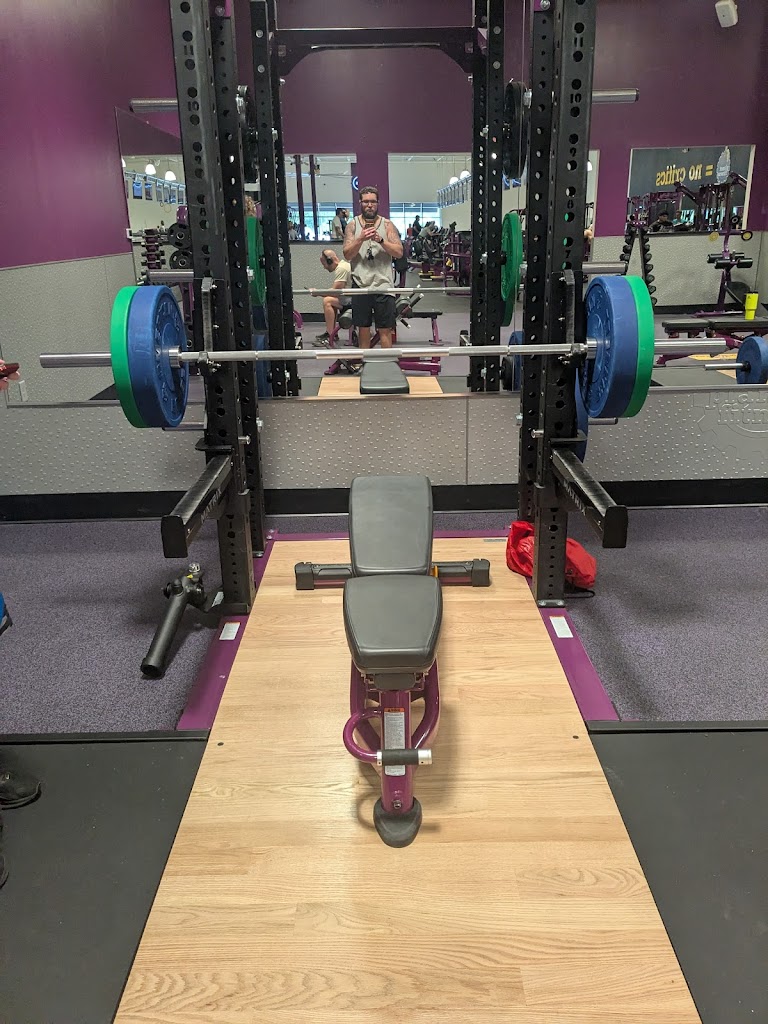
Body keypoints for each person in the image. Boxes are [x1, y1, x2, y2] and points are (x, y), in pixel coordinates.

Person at [342, 186, 403, 349]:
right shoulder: (352, 225)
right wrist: (360, 239)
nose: (369, 205)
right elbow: (347, 254)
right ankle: (365, 362)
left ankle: (387, 363)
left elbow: (399, 253)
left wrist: (381, 240)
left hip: (383, 285)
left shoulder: (387, 225)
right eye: (366, 202)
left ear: (378, 203)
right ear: (360, 203)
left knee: (385, 330)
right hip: (361, 285)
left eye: (373, 202)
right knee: (363, 329)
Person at [313, 249, 351, 346]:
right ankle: (332, 333)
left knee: (328, 301)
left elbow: (335, 291)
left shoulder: (341, 268)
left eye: (324, 264)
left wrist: (317, 292)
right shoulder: (343, 266)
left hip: (352, 301)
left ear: (330, 261)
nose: (324, 267)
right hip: (349, 299)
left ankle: (330, 335)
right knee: (330, 300)